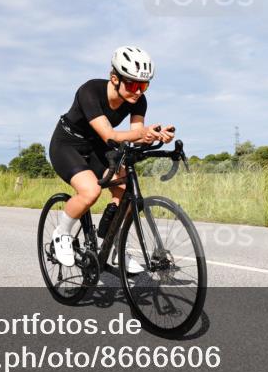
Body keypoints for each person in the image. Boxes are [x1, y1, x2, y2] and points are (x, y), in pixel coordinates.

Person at [47, 46, 174, 274]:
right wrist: (143, 132)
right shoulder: (90, 91)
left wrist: (155, 136)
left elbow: (136, 136)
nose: (138, 91)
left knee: (125, 190)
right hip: (67, 144)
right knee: (90, 192)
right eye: (133, 84)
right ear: (114, 78)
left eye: (143, 85)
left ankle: (110, 243)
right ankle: (61, 235)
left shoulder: (138, 101)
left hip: (97, 146)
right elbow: (111, 135)